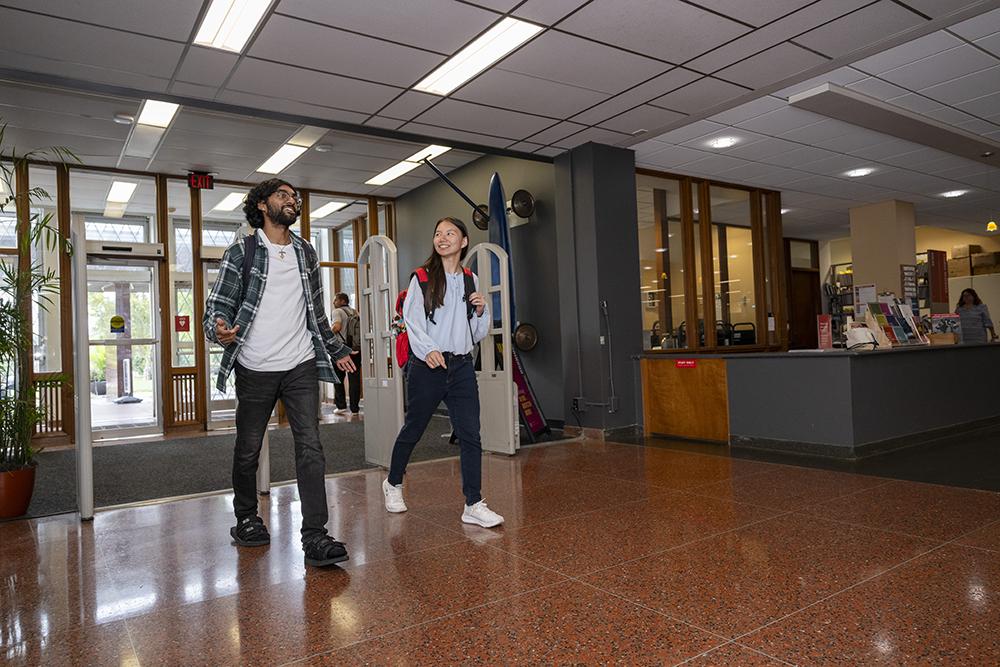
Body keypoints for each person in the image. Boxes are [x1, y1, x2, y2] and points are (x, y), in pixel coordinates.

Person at [204, 178, 357, 567]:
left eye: (295, 197)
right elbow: (217, 306)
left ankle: (315, 535)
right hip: (255, 367)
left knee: (311, 447)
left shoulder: (306, 251)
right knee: (248, 449)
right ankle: (246, 518)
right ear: (261, 206)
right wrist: (220, 329)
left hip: (300, 364)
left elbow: (316, 313)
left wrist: (337, 350)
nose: (292, 201)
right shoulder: (243, 250)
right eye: (283, 196)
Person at [382, 217, 504, 528]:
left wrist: (480, 311)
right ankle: (393, 483)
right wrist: (428, 350)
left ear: (463, 242)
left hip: (461, 366)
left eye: (450, 233)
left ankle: (473, 502)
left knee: (470, 434)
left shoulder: (470, 279)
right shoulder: (421, 278)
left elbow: (476, 333)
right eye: (438, 233)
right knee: (414, 428)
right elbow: (412, 321)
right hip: (427, 367)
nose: (442, 238)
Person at [330, 292, 362, 414]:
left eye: (335, 300)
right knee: (354, 378)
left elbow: (337, 327)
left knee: (337, 377)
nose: (334, 302)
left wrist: (328, 335)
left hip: (341, 349)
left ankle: (341, 406)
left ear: (342, 301)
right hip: (355, 348)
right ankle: (355, 408)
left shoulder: (337, 312)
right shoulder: (355, 312)